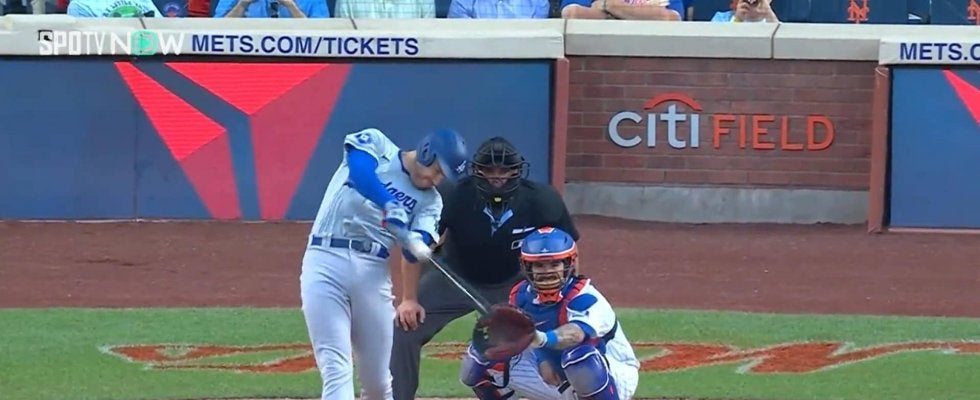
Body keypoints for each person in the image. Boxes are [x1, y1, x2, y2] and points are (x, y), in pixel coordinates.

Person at [390, 137, 579, 400]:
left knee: (556, 330)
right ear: (476, 170)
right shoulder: (452, 195)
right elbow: (416, 247)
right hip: (453, 276)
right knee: (404, 327)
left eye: (504, 170)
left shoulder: (542, 199)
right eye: (489, 170)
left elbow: (568, 249)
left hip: (513, 282)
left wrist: (567, 297)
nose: (497, 177)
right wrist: (409, 299)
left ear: (517, 171)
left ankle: (570, 393)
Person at [300, 127, 468, 400]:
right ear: (427, 152)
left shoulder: (431, 202)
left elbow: (416, 249)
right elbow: (360, 174)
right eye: (437, 171)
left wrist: (416, 242)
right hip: (325, 260)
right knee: (337, 368)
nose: (436, 180)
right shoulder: (378, 145)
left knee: (378, 383)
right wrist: (390, 204)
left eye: (442, 177)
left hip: (373, 273)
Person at [459, 227, 640, 400]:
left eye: (555, 264)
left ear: (568, 264)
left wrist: (543, 340)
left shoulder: (585, 297)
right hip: (557, 378)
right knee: (484, 354)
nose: (547, 272)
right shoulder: (521, 296)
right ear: (527, 266)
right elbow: (526, 335)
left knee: (579, 358)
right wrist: (541, 358)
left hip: (614, 377)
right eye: (539, 265)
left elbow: (576, 334)